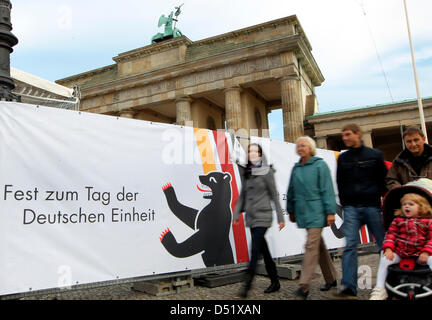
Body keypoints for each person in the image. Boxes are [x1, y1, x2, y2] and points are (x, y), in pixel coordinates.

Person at [336, 123, 388, 299]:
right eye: (343, 135)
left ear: (358, 134)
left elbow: (384, 180)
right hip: (351, 208)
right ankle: (349, 286)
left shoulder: (375, 155)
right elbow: (340, 183)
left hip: (372, 206)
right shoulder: (343, 159)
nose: (345, 138)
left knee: (383, 245)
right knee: (350, 245)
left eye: (348, 134)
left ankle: (385, 284)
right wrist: (346, 202)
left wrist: (375, 195)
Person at [286, 136, 338, 300]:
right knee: (318, 245)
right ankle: (331, 278)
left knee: (310, 246)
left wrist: (330, 211)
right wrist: (291, 210)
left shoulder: (320, 165)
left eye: (303, 145)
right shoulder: (296, 167)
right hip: (303, 212)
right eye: (298, 145)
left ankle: (304, 285)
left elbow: (327, 189)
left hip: (317, 211)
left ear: (310, 148)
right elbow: (291, 191)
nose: (300, 147)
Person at [233, 143, 285, 298]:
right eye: (250, 151)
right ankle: (275, 281)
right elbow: (243, 194)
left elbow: (274, 195)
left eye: (255, 151)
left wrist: (281, 218)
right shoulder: (247, 172)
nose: (252, 153)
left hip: (263, 216)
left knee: (255, 249)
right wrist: (236, 214)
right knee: (264, 250)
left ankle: (247, 284)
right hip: (251, 216)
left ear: (260, 154)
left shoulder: (266, 171)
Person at [370, 192, 432, 300]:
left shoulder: (428, 222)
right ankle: (380, 288)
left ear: (421, 207)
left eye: (411, 204)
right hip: (401, 253)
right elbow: (390, 235)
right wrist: (388, 248)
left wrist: (426, 252)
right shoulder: (397, 221)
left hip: (421, 254)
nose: (406, 206)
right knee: (384, 258)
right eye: (404, 204)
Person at [386, 126, 432, 190]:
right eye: (409, 141)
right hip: (410, 198)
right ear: (405, 143)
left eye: (416, 140)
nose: (413, 144)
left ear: (423, 139)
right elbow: (391, 180)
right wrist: (402, 191)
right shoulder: (399, 161)